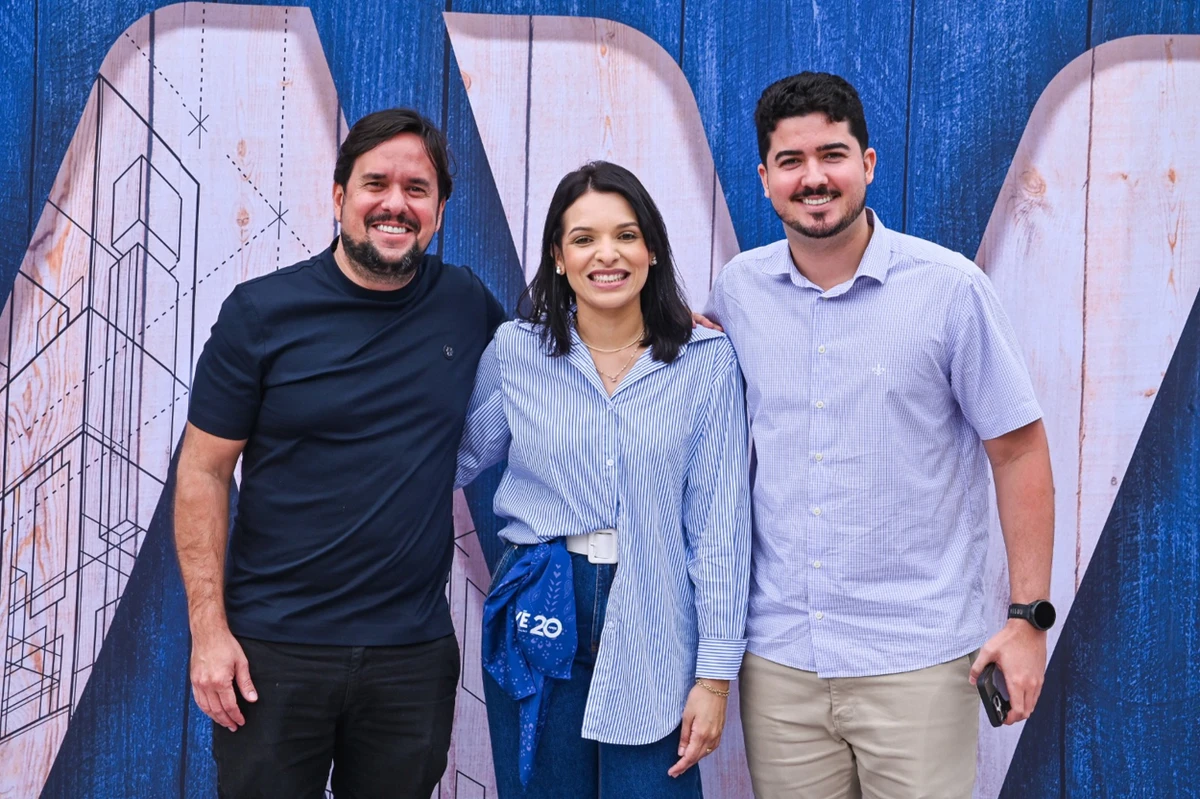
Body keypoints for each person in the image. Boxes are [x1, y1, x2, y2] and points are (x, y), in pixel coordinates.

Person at [704, 72, 1056, 798]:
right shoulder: (739, 291)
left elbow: (1018, 449)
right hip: (782, 664)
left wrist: (1027, 619)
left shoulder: (949, 290)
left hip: (918, 661)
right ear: (765, 179)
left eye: (831, 155)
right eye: (791, 161)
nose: (813, 178)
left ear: (866, 163)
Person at [174, 108, 505, 798]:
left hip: (410, 658)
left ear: (439, 210)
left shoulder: (464, 303)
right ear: (338, 196)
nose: (395, 204)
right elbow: (204, 470)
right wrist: (208, 631)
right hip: (272, 655)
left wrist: (665, 326)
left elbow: (561, 360)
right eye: (375, 183)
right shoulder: (261, 314)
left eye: (417, 189)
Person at [454, 161, 752, 798]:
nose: (606, 254)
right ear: (558, 257)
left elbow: (720, 529)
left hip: (654, 607)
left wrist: (714, 678)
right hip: (537, 594)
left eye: (626, 235)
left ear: (652, 250)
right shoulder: (516, 351)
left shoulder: (706, 363)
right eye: (584, 238)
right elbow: (452, 460)